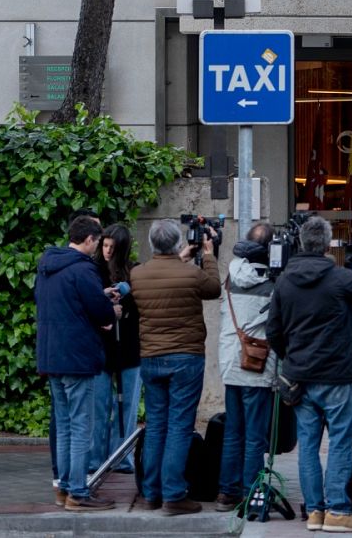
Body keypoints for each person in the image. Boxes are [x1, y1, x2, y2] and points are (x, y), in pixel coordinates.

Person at [269, 214, 352, 533]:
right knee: (339, 442)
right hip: (335, 375)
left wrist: (290, 357)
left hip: (299, 376)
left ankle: (315, 512)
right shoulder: (338, 278)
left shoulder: (285, 280)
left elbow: (273, 331)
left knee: (308, 446)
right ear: (327, 246)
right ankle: (337, 510)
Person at [133, 218, 222, 515]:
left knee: (156, 425)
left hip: (151, 357)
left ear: (152, 244)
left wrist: (180, 257)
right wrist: (208, 254)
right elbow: (213, 288)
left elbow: (165, 275)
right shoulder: (192, 274)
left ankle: (151, 493)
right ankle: (173, 495)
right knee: (180, 426)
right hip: (186, 357)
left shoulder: (138, 274)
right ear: (178, 243)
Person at [35, 215, 119, 511]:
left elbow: (62, 304)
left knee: (64, 425)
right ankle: (78, 492)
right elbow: (101, 312)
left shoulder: (47, 266)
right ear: (89, 239)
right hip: (77, 357)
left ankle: (64, 488)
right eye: (97, 242)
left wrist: (98, 296)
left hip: (51, 356)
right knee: (82, 426)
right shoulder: (83, 269)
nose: (97, 248)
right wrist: (111, 308)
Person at [215, 223, 281, 512]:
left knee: (233, 430)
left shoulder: (232, 275)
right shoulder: (273, 283)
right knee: (255, 436)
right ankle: (250, 492)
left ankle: (226, 492)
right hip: (257, 364)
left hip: (231, 361)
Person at [89, 223, 140, 478]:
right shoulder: (92, 271)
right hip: (100, 347)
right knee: (98, 405)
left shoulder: (134, 272)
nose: (107, 251)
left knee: (127, 406)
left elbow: (142, 308)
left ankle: (122, 456)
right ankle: (95, 457)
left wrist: (126, 304)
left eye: (112, 247)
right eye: (105, 245)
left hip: (129, 347)